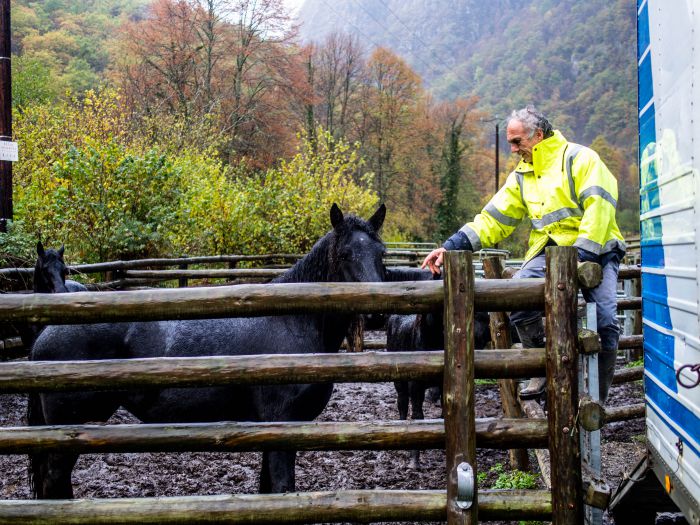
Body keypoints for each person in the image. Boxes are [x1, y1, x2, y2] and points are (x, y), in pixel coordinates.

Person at [422, 106, 625, 402]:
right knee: (517, 302)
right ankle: (541, 367)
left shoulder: (581, 159)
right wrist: (451, 246)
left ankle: (598, 400)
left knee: (605, 321)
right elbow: (493, 219)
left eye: (517, 142)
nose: (514, 150)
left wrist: (582, 256)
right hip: (548, 252)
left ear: (538, 135)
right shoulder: (521, 176)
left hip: (597, 250)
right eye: (511, 143)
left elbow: (600, 206)